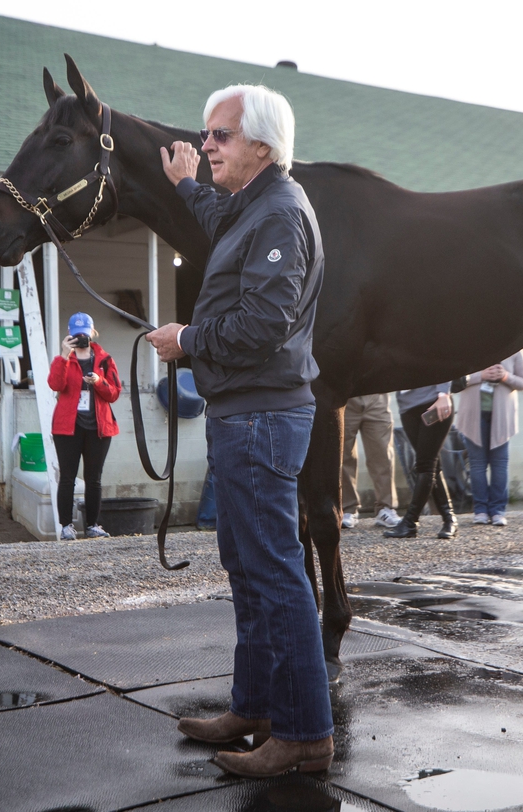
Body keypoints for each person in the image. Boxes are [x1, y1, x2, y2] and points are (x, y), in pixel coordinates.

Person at [148, 83, 333, 778]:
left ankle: (306, 735)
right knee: (249, 570)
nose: (206, 145)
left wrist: (188, 339)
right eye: (206, 136)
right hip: (243, 414)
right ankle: (255, 706)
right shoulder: (254, 206)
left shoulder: (282, 214)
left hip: (261, 415)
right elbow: (224, 219)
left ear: (261, 145)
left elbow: (262, 324)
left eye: (219, 137)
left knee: (277, 577)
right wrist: (189, 186)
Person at [48, 313, 122, 540]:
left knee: (94, 478)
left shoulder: (104, 359)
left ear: (92, 332)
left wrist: (99, 382)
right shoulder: (64, 359)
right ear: (70, 333)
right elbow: (55, 384)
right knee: (67, 477)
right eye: (77, 333)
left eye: (85, 333)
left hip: (98, 427)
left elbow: (114, 393)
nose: (81, 337)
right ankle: (66, 526)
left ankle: (92, 525)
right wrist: (63, 354)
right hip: (67, 427)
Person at [453, 351, 523, 526]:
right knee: (477, 463)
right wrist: (481, 375)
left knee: (499, 463)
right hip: (472, 414)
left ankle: (497, 511)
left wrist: (505, 376)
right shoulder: (469, 345)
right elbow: (455, 381)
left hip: (502, 415)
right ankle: (480, 510)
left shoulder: (516, 349)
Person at [383, 385, 457, 539]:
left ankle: (410, 522)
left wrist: (444, 393)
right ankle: (449, 519)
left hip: (433, 401)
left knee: (425, 465)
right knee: (432, 465)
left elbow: (446, 359)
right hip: (407, 407)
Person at [341, 394, 402, 529]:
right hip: (345, 396)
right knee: (343, 455)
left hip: (377, 395)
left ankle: (386, 507)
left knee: (383, 454)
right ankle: (347, 508)